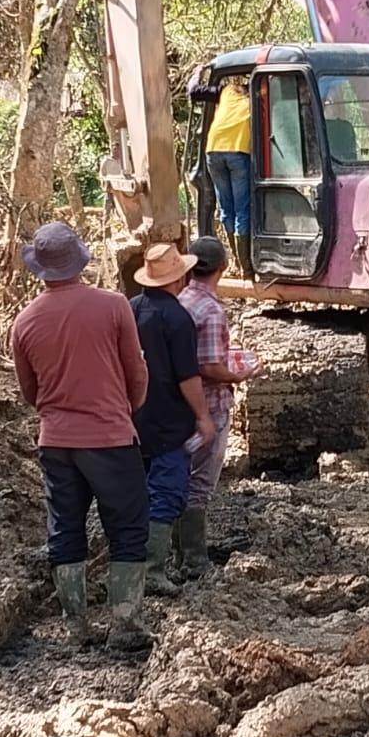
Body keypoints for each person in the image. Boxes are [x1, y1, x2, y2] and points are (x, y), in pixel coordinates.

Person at [11, 222, 151, 651]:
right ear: (80, 261)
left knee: (65, 528)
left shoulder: (24, 321)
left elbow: (29, 392)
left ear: (40, 269)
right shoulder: (113, 306)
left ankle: (76, 627)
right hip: (109, 436)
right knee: (127, 528)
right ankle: (125, 625)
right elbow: (136, 373)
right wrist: (127, 409)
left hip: (56, 441)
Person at [132, 243, 217, 595]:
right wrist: (203, 417)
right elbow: (187, 376)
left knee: (140, 492)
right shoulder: (178, 319)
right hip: (169, 419)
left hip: (135, 416)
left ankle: (133, 564)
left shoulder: (131, 309)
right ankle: (152, 570)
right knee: (167, 491)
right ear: (178, 276)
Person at [175, 237, 261, 576]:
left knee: (180, 476)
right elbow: (209, 366)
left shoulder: (182, 299)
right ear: (223, 268)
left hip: (181, 404)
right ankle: (194, 559)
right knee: (200, 482)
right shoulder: (210, 310)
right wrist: (238, 374)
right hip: (209, 406)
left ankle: (178, 552)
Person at [203, 79, 253, 275]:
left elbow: (194, 91)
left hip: (213, 151)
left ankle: (236, 263)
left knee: (226, 207)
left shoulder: (226, 91)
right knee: (242, 209)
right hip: (237, 152)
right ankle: (246, 267)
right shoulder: (256, 97)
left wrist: (197, 74)